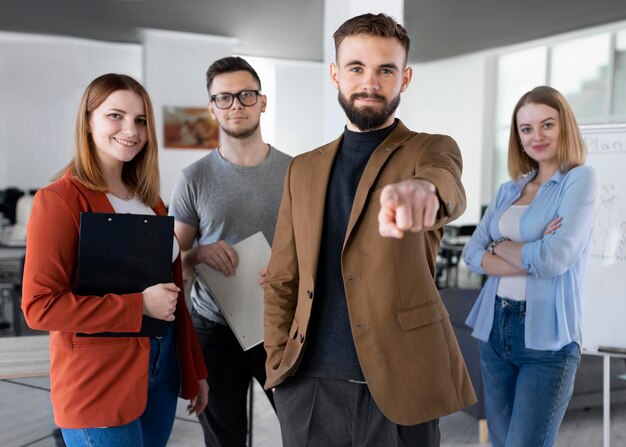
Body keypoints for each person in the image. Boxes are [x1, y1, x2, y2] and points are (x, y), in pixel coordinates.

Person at [263, 13, 476, 446]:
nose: (370, 83)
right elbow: (283, 277)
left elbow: (445, 180)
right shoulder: (302, 169)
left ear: (406, 77)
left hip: (401, 385)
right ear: (335, 74)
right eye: (357, 68)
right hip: (309, 385)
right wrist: (277, 365)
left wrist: (424, 193)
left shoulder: (429, 149)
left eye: (386, 70)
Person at [21, 73, 208, 447]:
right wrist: (138, 306)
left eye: (140, 120)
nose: (131, 130)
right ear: (88, 122)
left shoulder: (150, 202)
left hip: (161, 370)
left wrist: (193, 370)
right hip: (98, 381)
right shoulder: (59, 201)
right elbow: (40, 307)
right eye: (115, 116)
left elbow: (172, 298)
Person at [462, 86, 598, 447]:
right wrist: (528, 252)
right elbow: (472, 253)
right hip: (495, 329)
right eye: (526, 129)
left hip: (547, 341)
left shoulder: (579, 180)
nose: (536, 136)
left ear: (564, 126)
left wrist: (501, 245)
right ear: (517, 137)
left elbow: (553, 260)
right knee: (499, 442)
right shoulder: (510, 190)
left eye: (547, 125)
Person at [169, 56, 292, 446]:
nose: (236, 105)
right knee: (225, 441)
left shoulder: (296, 172)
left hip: (279, 325)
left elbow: (315, 249)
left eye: (245, 95)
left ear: (263, 101)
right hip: (215, 330)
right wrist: (198, 254)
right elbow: (171, 261)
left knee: (302, 429)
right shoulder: (194, 178)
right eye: (224, 98)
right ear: (211, 108)